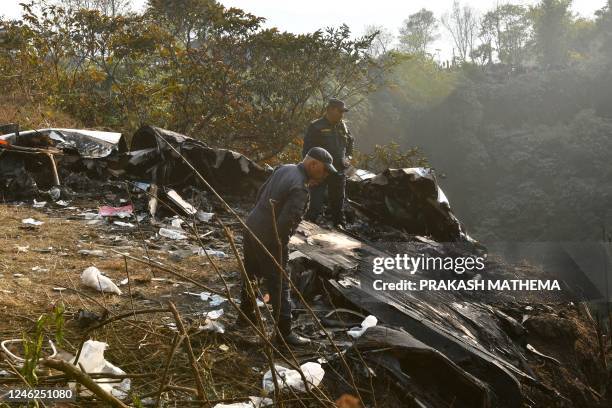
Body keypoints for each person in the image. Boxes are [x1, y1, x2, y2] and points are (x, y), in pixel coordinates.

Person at [238, 147, 336, 346]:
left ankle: (245, 317)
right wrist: (280, 248)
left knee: (252, 275)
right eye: (324, 170)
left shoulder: (285, 168)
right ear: (313, 164)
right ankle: (284, 332)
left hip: (252, 226)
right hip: (269, 237)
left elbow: (260, 194)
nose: (325, 175)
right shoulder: (299, 187)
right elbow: (285, 224)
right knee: (280, 283)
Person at [302, 98, 354, 226]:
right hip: (321, 171)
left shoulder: (343, 127)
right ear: (330, 109)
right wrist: (309, 174)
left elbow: (351, 142)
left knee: (338, 201)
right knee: (315, 202)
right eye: (340, 111)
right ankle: (308, 224)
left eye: (343, 112)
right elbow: (307, 151)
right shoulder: (316, 126)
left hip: (339, 171)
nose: (342, 114)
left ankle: (339, 225)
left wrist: (349, 157)